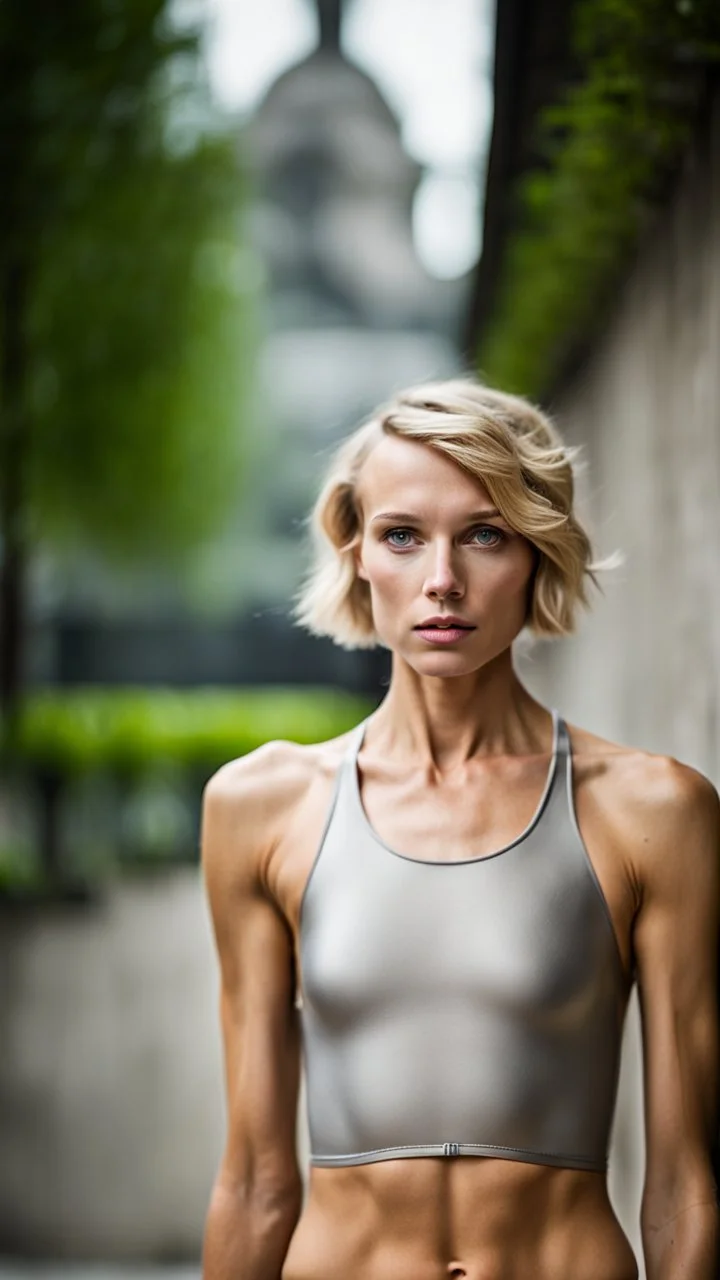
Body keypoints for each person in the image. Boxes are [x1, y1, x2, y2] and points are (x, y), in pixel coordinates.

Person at [199, 378, 719, 1280]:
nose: (442, 580)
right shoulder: (262, 806)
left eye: (484, 534)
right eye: (403, 535)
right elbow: (253, 1182)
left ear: (537, 552)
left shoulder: (653, 811)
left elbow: (685, 1184)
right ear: (357, 552)